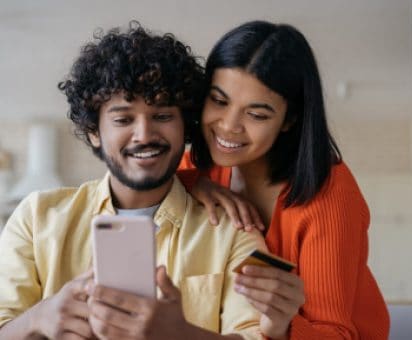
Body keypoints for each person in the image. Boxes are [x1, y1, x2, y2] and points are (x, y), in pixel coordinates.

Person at [0, 22, 266, 340]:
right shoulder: (36, 217)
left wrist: (181, 334)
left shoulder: (232, 231)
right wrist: (38, 319)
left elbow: (255, 335)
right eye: (123, 119)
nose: (144, 135)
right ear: (94, 132)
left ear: (186, 125)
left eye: (163, 116)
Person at [179, 20, 390, 339]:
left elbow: (336, 332)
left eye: (257, 114)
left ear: (289, 119)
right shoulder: (199, 165)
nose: (228, 126)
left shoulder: (329, 193)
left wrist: (282, 325)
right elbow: (145, 186)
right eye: (219, 101)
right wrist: (194, 182)